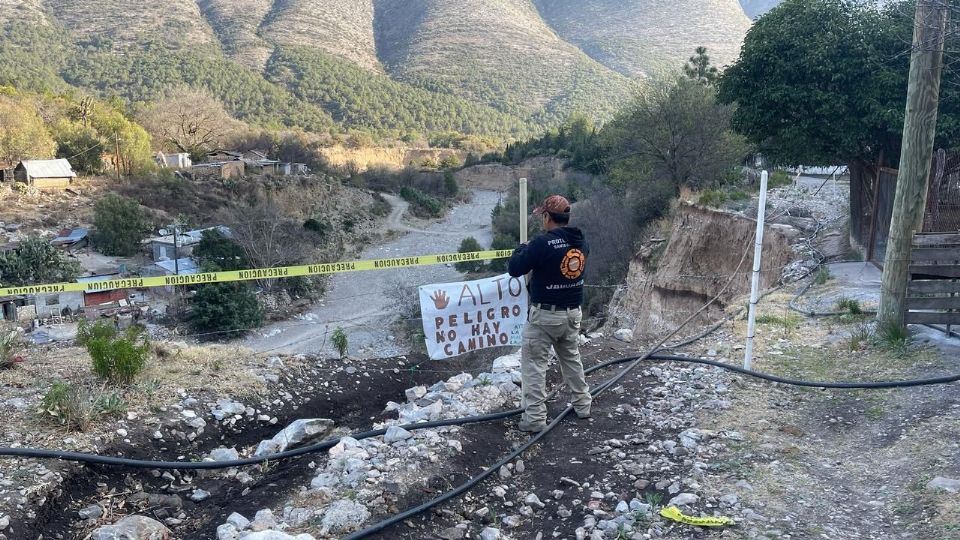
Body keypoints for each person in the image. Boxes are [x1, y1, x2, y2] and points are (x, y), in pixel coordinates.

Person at [508, 194, 591, 432]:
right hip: (572, 313)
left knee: (534, 366)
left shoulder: (542, 244)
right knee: (571, 358)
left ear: (547, 217)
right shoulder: (581, 242)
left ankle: (534, 419)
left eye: (542, 216)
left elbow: (515, 269)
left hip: (544, 316)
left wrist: (520, 250)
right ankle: (583, 404)